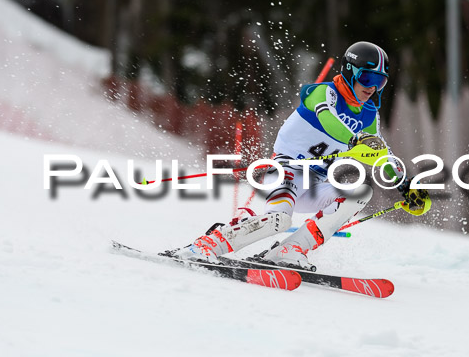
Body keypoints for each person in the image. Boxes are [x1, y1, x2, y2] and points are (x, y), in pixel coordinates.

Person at [178, 41, 430, 270]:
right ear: (351, 72)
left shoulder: (368, 115)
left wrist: (405, 184)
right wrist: (355, 139)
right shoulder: (323, 94)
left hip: (315, 184)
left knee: (360, 193)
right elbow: (329, 121)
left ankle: (290, 250)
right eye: (366, 78)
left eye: (380, 82)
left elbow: (381, 154)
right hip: (285, 172)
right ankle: (208, 245)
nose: (372, 87)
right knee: (278, 220)